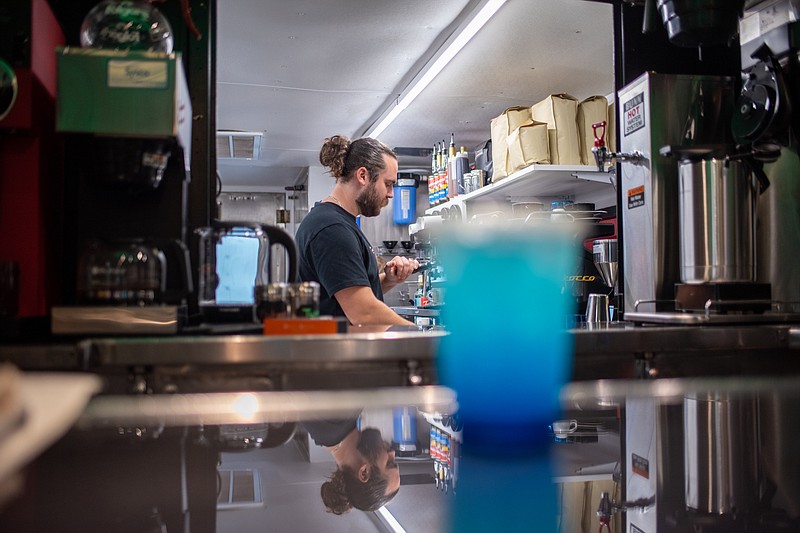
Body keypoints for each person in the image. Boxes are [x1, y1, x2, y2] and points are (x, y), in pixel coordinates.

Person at [295, 135, 419, 326]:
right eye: (388, 183)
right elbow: (363, 312)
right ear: (363, 176)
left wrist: (387, 280)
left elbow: (343, 292)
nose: (391, 193)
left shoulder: (338, 222)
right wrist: (427, 338)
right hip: (335, 354)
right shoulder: (332, 229)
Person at [302, 417, 400, 515]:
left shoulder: (335, 417)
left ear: (364, 472)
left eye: (389, 463)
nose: (392, 453)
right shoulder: (328, 433)